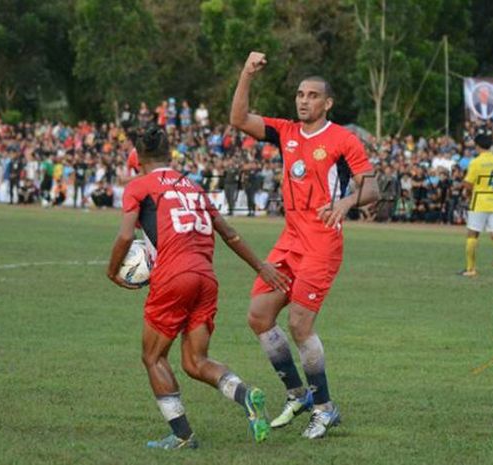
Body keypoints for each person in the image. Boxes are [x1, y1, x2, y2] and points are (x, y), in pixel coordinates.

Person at [106, 126, 291, 450]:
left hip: (174, 277)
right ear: (169, 153)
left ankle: (181, 436)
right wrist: (261, 266)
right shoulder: (193, 186)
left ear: (138, 158)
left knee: (153, 357)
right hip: (206, 278)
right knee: (195, 361)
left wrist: (112, 272)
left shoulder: (139, 186)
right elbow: (228, 233)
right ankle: (247, 396)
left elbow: (124, 237)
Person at [229, 51, 378, 439]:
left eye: (312, 95)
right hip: (290, 242)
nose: (303, 100)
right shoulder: (286, 132)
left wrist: (346, 202)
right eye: (299, 94)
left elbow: (373, 186)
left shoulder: (343, 139)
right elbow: (239, 119)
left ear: (327, 103)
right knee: (259, 316)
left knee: (299, 324)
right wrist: (247, 74)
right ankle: (298, 394)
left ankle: (325, 409)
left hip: (322, 244)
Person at [460, 131, 493, 278]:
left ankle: (471, 268)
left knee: (472, 234)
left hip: (479, 202)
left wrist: (468, 194)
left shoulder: (476, 162)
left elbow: (468, 184)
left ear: (477, 146)